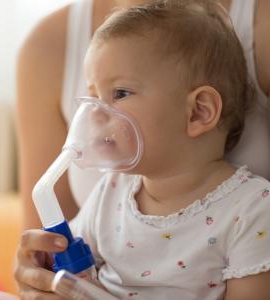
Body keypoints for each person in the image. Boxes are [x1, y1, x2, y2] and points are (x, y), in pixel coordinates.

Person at [15, 0, 270, 298]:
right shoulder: (110, 192)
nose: (95, 113)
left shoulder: (251, 212)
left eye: (120, 93)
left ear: (199, 112)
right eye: (93, 95)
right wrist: (44, 266)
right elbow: (54, 264)